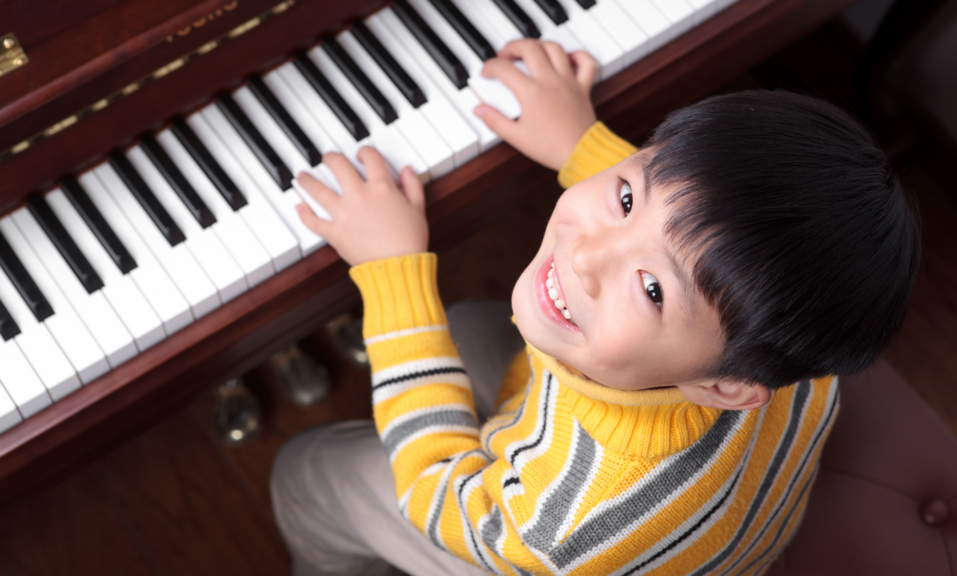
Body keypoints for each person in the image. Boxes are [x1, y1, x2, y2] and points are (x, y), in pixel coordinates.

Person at [271, 39, 920, 576]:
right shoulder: (790, 331)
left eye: (652, 291)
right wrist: (581, 142)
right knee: (471, 324)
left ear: (724, 387)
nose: (588, 256)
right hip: (694, 517)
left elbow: (441, 492)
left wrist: (390, 271)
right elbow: (696, 237)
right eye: (628, 198)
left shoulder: (564, 528)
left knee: (306, 471)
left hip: (541, 551)